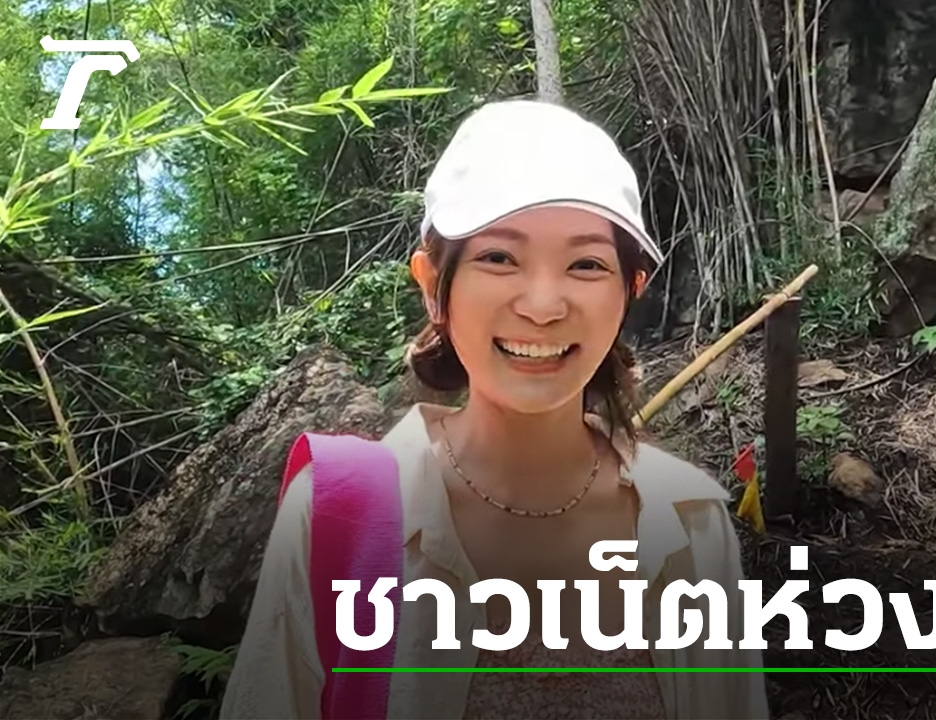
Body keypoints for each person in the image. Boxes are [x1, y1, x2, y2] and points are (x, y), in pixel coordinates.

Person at [220, 99, 769, 720]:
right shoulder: (336, 514)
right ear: (434, 286)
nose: (542, 305)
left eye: (586, 264)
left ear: (629, 292)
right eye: (499, 257)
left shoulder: (690, 523)